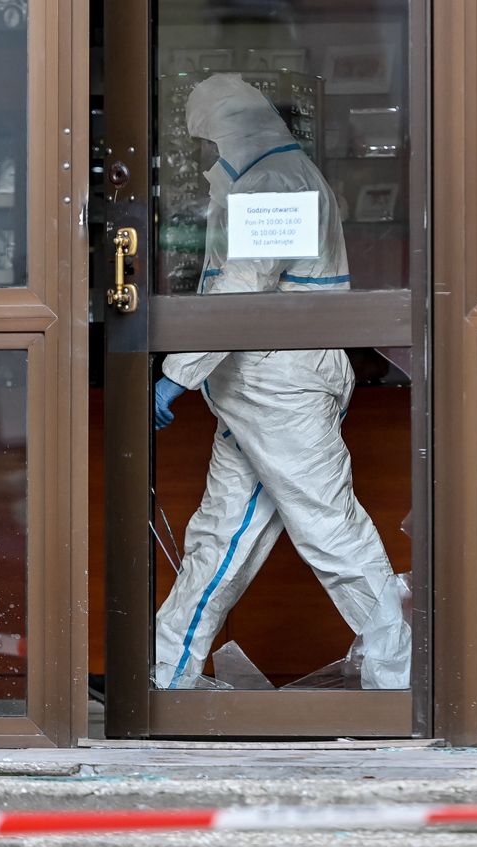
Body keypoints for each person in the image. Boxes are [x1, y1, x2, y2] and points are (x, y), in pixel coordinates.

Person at [151, 73, 410, 690]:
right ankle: (166, 675)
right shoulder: (277, 176)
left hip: (278, 391)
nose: (202, 157)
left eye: (204, 143)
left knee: (329, 532)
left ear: (227, 132)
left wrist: (177, 376)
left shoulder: (272, 184)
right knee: (219, 541)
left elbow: (240, 294)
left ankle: (402, 677)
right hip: (262, 391)